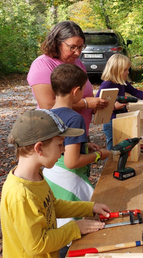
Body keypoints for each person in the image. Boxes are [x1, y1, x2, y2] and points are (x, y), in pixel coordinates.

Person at [1, 109, 111, 258]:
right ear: (39, 148)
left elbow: (52, 205)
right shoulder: (21, 195)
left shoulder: (36, 176)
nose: (64, 149)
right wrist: (75, 227)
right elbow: (37, 245)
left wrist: (90, 207)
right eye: (60, 144)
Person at [44, 64, 110, 229]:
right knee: (74, 226)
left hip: (51, 177)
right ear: (76, 91)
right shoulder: (74, 118)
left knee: (58, 223)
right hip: (69, 180)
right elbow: (71, 162)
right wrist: (98, 155)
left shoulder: (47, 114)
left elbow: (59, 143)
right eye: (82, 90)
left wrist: (84, 144)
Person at [27, 21, 108, 134]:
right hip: (56, 137)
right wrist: (86, 103)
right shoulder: (42, 64)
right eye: (72, 47)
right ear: (57, 43)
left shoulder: (78, 63)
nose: (77, 52)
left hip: (79, 133)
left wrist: (96, 105)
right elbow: (48, 106)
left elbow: (84, 94)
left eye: (81, 47)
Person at [96, 54, 143, 150]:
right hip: (111, 122)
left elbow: (135, 92)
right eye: (125, 70)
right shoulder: (107, 84)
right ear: (116, 70)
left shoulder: (122, 82)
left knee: (123, 145)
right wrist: (114, 107)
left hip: (122, 118)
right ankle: (111, 164)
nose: (128, 72)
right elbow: (97, 104)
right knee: (113, 148)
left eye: (128, 69)